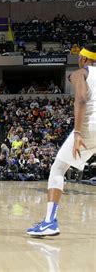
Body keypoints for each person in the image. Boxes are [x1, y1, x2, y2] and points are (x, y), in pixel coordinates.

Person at [27, 45, 96, 237]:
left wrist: (77, 133)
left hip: (91, 126)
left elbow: (81, 100)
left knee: (58, 168)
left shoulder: (81, 73)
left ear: (82, 59)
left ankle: (49, 222)